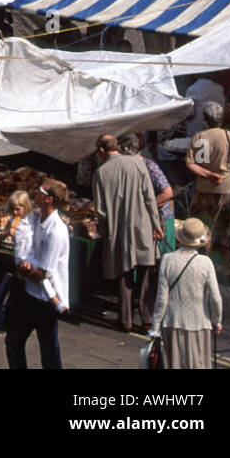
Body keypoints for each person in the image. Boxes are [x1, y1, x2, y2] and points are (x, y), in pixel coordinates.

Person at [92, 134, 163, 332]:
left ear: (101, 150)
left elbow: (101, 211)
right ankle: (147, 318)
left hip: (118, 230)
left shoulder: (100, 173)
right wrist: (156, 224)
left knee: (124, 277)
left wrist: (105, 233)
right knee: (146, 273)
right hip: (142, 227)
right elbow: (149, 197)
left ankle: (126, 321)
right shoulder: (137, 164)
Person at [6, 178, 70, 370]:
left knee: (49, 352)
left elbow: (43, 273)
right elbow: (19, 221)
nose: (35, 193)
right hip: (30, 294)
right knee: (14, 341)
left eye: (40, 191)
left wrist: (23, 271)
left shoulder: (56, 232)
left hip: (46, 301)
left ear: (48, 199)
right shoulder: (36, 216)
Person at [150, 218, 223, 369]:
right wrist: (217, 321)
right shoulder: (205, 263)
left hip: (172, 322)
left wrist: (155, 327)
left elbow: (162, 299)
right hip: (200, 324)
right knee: (199, 364)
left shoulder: (167, 260)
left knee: (174, 364)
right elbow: (215, 298)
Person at [187, 101, 230, 269]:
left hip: (205, 188)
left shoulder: (201, 137)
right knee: (228, 228)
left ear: (206, 119)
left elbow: (198, 163)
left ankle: (204, 264)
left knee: (205, 227)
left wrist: (209, 172)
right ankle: (225, 268)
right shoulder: (229, 136)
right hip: (227, 189)